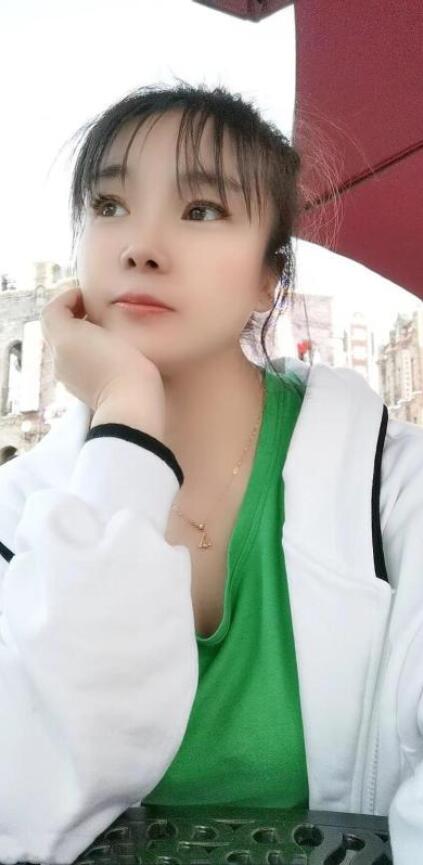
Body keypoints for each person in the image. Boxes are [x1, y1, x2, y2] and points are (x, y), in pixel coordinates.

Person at [0, 82, 421, 865]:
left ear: (270, 275)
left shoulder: (395, 490)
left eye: (200, 210)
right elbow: (22, 808)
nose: (141, 246)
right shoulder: (20, 514)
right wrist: (127, 416)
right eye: (109, 204)